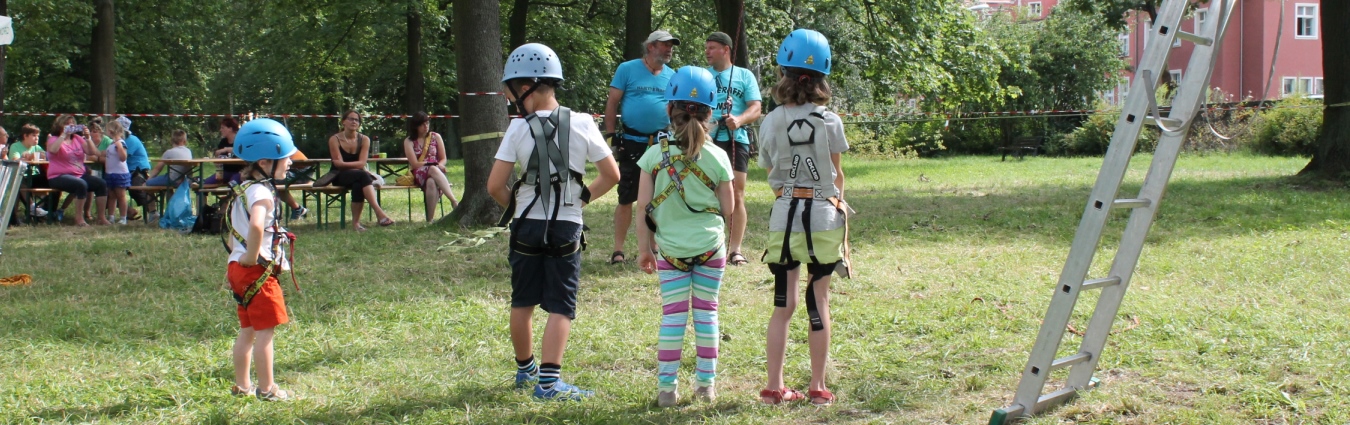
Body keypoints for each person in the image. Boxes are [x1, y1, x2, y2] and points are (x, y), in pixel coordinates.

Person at [488, 43, 619, 401]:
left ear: (527, 85)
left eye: (511, 88)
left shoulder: (517, 130)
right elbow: (612, 175)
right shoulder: (581, 123)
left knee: (523, 302)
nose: (509, 95)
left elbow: (495, 186)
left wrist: (517, 208)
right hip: (565, 225)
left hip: (526, 225)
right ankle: (548, 383)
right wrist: (582, 198)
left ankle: (525, 369)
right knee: (561, 305)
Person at [757, 29, 851, 407]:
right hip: (824, 219)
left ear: (783, 74)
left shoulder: (771, 121)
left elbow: (769, 170)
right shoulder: (831, 121)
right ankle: (817, 387)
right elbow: (836, 174)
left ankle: (773, 388)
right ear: (821, 79)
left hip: (785, 219)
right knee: (818, 302)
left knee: (783, 304)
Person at [635, 66, 735, 407]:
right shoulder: (719, 157)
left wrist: (644, 250)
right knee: (707, 314)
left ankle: (666, 391)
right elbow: (729, 208)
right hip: (711, 248)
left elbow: (643, 210)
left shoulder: (652, 156)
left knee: (673, 317)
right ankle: (705, 386)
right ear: (711, 114)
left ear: (669, 110)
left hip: (670, 251)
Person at [224, 118, 299, 402]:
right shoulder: (263, 194)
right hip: (256, 270)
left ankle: (242, 385)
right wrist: (252, 257)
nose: (290, 162)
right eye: (285, 158)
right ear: (266, 162)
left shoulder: (242, 189)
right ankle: (267, 389)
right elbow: (256, 226)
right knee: (265, 332)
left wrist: (239, 257)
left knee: (248, 330)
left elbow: (234, 232)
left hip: (238, 268)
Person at [604, 30, 679, 265]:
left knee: (660, 196)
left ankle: (654, 247)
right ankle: (618, 249)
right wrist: (610, 136)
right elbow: (612, 102)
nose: (669, 50)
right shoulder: (627, 69)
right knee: (626, 196)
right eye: (665, 45)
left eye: (671, 46)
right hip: (632, 142)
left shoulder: (672, 75)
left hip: (662, 143)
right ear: (651, 47)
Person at [705, 31, 763, 266]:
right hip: (707, 140)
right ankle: (711, 246)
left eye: (712, 47)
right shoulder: (701, 76)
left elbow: (756, 108)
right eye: (706, 47)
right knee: (708, 193)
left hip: (735, 139)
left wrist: (738, 120)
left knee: (737, 193)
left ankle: (735, 249)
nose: (707, 51)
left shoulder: (744, 75)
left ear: (726, 50)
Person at [327, 110, 394, 231]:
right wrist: (355, 166)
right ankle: (380, 214)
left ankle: (356, 224)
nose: (354, 122)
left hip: (358, 175)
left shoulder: (364, 139)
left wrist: (351, 165)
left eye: (356, 120)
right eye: (351, 119)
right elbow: (338, 164)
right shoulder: (334, 139)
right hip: (338, 175)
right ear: (343, 122)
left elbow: (362, 163)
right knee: (363, 175)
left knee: (359, 184)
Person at [46, 114, 109, 226]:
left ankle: (101, 218)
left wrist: (88, 138)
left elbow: (92, 152)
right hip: (58, 176)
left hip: (78, 174)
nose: (70, 126)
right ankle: (79, 218)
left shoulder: (78, 139)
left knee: (101, 183)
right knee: (81, 184)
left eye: (72, 124)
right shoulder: (53, 139)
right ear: (60, 125)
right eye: (67, 123)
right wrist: (63, 135)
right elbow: (53, 150)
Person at [403, 111, 460, 222]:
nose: (426, 126)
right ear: (415, 125)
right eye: (422, 124)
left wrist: (439, 165)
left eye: (427, 123)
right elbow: (414, 163)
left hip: (436, 172)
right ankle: (454, 201)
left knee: (431, 182)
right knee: (433, 168)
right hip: (419, 172)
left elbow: (443, 158)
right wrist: (432, 165)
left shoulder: (436, 137)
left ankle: (430, 219)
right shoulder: (409, 141)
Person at [9, 124, 48, 220]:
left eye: (38, 136)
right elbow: (15, 160)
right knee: (19, 179)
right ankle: (32, 207)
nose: (36, 138)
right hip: (22, 176)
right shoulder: (16, 146)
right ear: (25, 136)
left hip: (34, 176)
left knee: (54, 180)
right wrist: (25, 158)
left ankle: (46, 210)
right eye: (34, 136)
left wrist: (44, 156)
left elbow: (47, 157)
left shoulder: (37, 147)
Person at [118, 116, 153, 220]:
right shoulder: (120, 141)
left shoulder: (131, 140)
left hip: (138, 170)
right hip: (126, 170)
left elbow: (122, 157)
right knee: (112, 188)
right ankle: (129, 211)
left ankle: (152, 211)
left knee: (137, 188)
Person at [101, 121, 131, 224]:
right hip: (110, 173)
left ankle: (123, 217)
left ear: (111, 131)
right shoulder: (111, 144)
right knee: (112, 195)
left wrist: (119, 147)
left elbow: (123, 158)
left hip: (120, 173)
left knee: (121, 195)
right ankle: (111, 216)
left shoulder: (120, 143)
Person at [206, 118, 243, 184]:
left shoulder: (240, 141)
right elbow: (218, 160)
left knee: (233, 185)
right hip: (224, 173)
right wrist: (217, 160)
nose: (220, 130)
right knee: (204, 184)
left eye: (223, 128)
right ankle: (201, 194)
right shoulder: (223, 142)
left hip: (239, 172)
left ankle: (231, 194)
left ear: (230, 129)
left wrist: (226, 149)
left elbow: (241, 152)